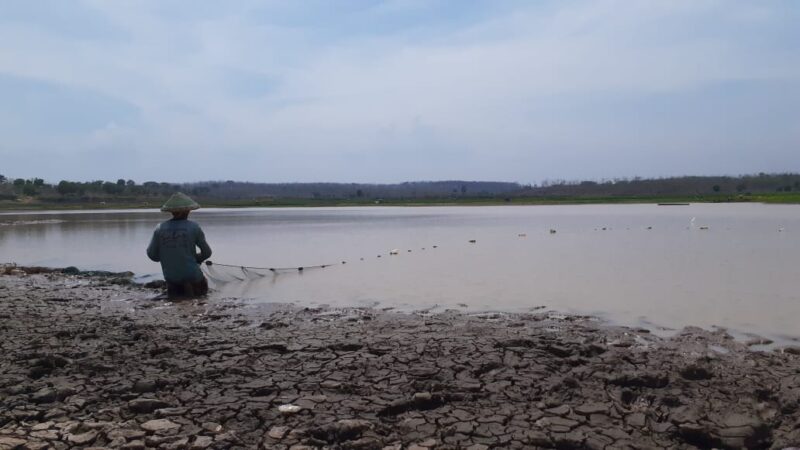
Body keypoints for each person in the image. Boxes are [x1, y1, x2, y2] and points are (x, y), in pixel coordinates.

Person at [147, 192, 212, 298]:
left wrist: (168, 256)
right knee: (203, 285)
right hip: (193, 277)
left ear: (171, 212)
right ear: (188, 211)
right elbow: (207, 253)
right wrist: (196, 258)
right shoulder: (194, 227)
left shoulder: (159, 228)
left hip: (171, 279)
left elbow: (152, 255)